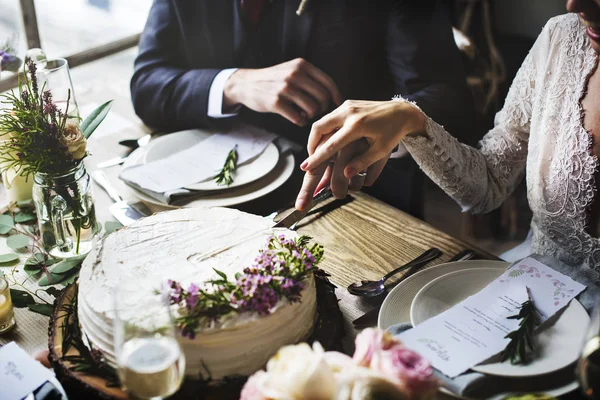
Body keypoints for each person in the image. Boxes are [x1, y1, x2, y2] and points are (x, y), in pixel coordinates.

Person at [296, 0, 600, 276]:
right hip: (537, 292)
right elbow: (488, 185)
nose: (576, 4)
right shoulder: (561, 39)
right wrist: (410, 121)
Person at [130, 0, 476, 217]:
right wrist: (233, 83)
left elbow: (450, 100)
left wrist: (390, 124)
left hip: (350, 198)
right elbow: (147, 85)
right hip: (205, 198)